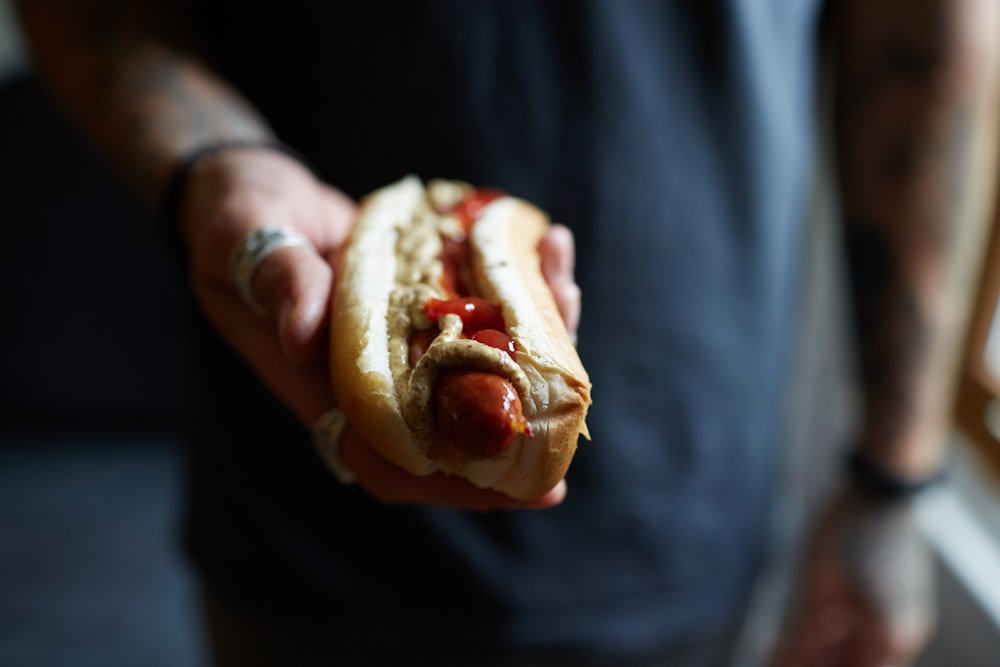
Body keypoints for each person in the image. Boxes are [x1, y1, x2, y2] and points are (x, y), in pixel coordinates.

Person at [15, 1, 999, 665]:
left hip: (690, 507)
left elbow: (923, 26)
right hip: (292, 503)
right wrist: (212, 162)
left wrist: (892, 478)